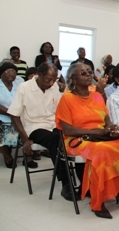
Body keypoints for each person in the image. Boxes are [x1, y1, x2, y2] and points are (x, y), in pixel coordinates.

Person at [56, 63, 119, 219]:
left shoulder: (96, 96)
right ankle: (98, 201)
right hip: (78, 139)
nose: (88, 75)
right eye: (83, 73)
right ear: (73, 78)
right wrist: (93, 132)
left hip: (100, 136)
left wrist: (110, 128)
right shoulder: (67, 99)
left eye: (89, 72)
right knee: (103, 152)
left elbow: (106, 119)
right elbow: (67, 130)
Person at [7, 63, 75, 200]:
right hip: (34, 127)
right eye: (48, 79)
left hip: (52, 124)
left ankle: (80, 179)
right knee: (57, 140)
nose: (51, 83)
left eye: (54, 80)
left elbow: (62, 109)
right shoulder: (24, 88)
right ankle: (66, 183)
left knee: (73, 138)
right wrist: (25, 139)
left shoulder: (55, 86)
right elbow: (14, 115)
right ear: (40, 74)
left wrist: (64, 90)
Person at [0, 63, 23, 168]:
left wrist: (16, 113)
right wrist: (11, 112)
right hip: (2, 116)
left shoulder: (19, 86)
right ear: (2, 74)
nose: (12, 74)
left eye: (14, 72)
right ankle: (7, 156)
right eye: (9, 71)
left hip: (18, 116)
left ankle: (28, 157)